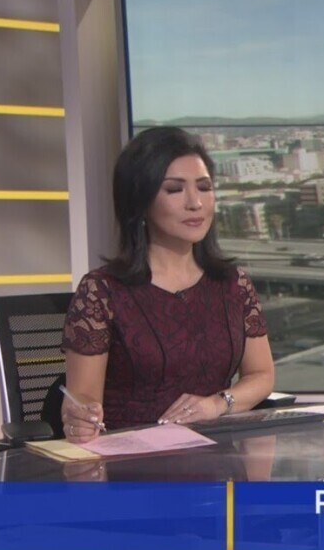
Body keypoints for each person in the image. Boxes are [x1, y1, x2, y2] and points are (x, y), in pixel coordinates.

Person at [60, 127, 275, 443]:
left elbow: (261, 375)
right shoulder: (102, 292)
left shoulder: (233, 284)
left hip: (217, 454)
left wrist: (217, 404)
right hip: (132, 458)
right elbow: (83, 399)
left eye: (204, 187)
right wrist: (79, 418)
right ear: (141, 201)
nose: (195, 203)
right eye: (174, 190)